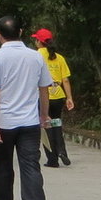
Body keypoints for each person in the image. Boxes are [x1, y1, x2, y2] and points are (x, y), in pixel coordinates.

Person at [0, 16, 52, 200]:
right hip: (30, 121)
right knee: (31, 167)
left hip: (5, 122)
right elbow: (44, 89)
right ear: (21, 32)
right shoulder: (35, 57)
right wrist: (44, 115)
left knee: (3, 165)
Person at [31, 28, 74, 168]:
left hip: (43, 96)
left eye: (36, 39)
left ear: (39, 41)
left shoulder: (35, 56)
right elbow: (65, 80)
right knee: (56, 123)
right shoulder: (59, 57)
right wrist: (69, 98)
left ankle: (52, 159)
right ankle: (62, 151)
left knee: (46, 126)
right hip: (58, 96)